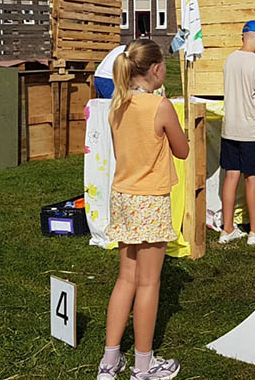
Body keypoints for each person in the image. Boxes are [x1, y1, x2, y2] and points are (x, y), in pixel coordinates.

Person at [97, 39, 188, 380]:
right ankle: (143, 366)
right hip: (150, 199)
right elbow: (182, 150)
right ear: (155, 69)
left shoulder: (116, 105)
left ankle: (109, 362)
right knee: (149, 284)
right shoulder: (160, 107)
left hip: (122, 196)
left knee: (126, 279)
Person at [218, 20, 255, 246]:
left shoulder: (230, 60)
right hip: (250, 131)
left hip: (229, 128)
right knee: (252, 179)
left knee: (230, 177)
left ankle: (228, 228)